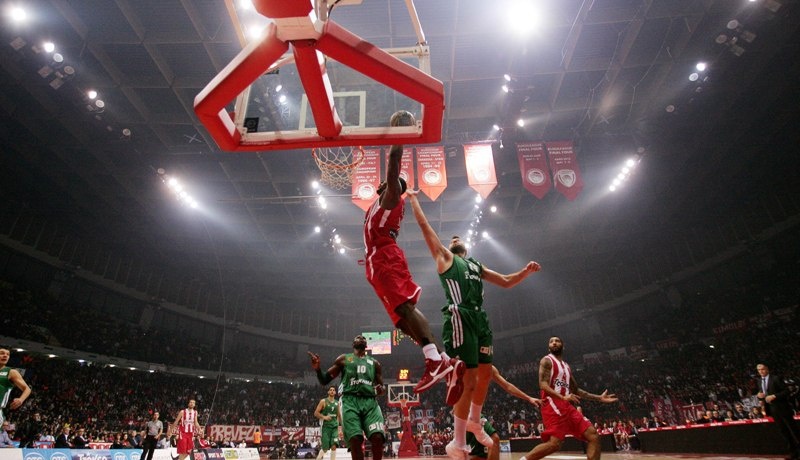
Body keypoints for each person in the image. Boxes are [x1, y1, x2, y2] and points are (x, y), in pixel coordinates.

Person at [407, 190, 541, 457]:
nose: (455, 238)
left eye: (459, 238)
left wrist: (525, 272)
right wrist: (412, 197)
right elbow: (425, 226)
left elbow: (504, 281)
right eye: (452, 238)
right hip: (460, 317)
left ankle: (475, 421)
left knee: (485, 376)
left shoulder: (476, 266)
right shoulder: (446, 258)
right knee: (466, 381)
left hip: (480, 318)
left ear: (465, 248)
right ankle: (457, 443)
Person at [363, 115, 464, 403]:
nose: (383, 182)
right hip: (378, 261)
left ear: (393, 186)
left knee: (405, 308)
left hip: (385, 257)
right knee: (399, 319)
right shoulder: (379, 204)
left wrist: (399, 133)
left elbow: (394, 163)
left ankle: (433, 359)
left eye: (389, 181)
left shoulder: (392, 197)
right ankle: (443, 359)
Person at [519, 337, 618, 460]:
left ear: (563, 346)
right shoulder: (547, 360)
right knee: (555, 444)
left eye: (557, 341)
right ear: (548, 347)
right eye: (551, 341)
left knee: (593, 436)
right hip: (552, 403)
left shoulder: (566, 366)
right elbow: (543, 384)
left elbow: (576, 390)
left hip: (566, 405)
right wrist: (563, 397)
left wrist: (599, 398)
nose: (554, 342)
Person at [308, 335, 385, 460]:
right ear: (353, 344)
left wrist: (381, 390)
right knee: (355, 439)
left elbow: (381, 387)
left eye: (362, 337)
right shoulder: (344, 359)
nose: (360, 337)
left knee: (378, 437)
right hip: (350, 401)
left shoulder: (375, 363)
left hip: (370, 402)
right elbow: (324, 380)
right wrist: (317, 369)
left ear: (366, 345)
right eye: (357, 337)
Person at [756, 363, 800, 460]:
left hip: (783, 408)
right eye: (759, 370)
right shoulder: (759, 381)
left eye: (762, 369)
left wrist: (774, 396)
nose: (761, 371)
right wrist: (759, 396)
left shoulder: (776, 378)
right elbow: (761, 393)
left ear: (767, 369)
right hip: (772, 410)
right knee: (784, 432)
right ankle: (794, 453)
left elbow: (787, 391)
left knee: (794, 430)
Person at [0, 348, 32, 426]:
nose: (5, 356)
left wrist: (21, 399)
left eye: (8, 354)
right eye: (2, 353)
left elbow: (27, 389)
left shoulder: (11, 372)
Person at [314, 386, 341, 460]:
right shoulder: (323, 401)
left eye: (333, 390)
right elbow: (316, 413)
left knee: (334, 446)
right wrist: (324, 417)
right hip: (326, 427)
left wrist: (339, 425)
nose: (332, 391)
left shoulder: (337, 403)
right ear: (328, 392)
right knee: (325, 448)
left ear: (335, 392)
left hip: (334, 428)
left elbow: (338, 415)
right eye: (330, 390)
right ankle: (318, 458)